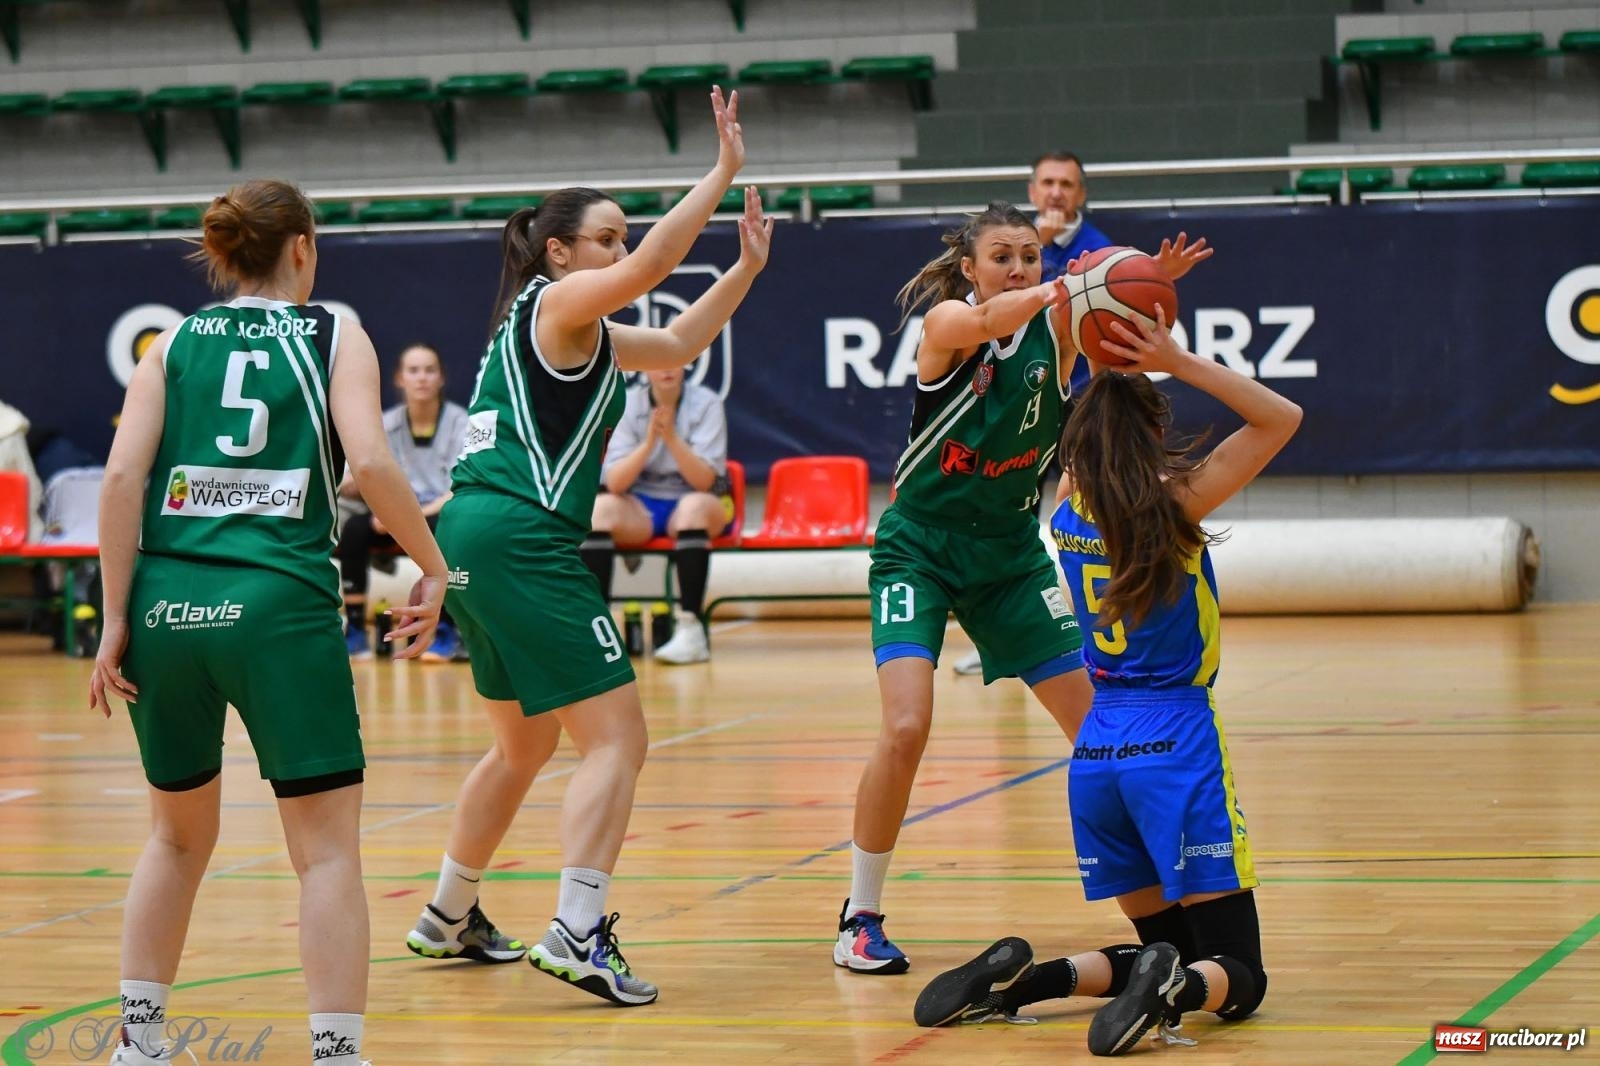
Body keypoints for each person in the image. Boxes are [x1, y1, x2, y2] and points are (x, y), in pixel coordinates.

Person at [404, 87, 772, 1007]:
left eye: (622, 236)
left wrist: (745, 271)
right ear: (561, 252)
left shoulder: (579, 331)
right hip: (521, 539)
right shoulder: (562, 302)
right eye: (605, 237)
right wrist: (722, 174)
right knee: (619, 739)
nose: (620, 248)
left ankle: (449, 913)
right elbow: (653, 267)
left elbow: (682, 334)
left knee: (521, 750)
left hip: (477, 538)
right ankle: (576, 929)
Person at [89, 179, 448, 1066]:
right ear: (300, 248)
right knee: (325, 852)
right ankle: (335, 1054)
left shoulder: (169, 343)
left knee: (174, 838)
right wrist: (435, 566)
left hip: (169, 604)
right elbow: (369, 455)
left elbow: (121, 482)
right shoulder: (334, 330)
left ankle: (139, 1047)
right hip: (279, 604)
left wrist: (115, 619)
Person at [911, 303, 1302, 1057]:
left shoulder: (1065, 507)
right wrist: (1176, 358)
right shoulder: (1176, 504)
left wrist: (1098, 334)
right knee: (1238, 975)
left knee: (1167, 941)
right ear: (1155, 431)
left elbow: (1098, 415)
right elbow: (1280, 418)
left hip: (1096, 751)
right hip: (1175, 739)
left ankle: (1020, 981)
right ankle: (1174, 992)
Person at [951, 152, 1209, 676]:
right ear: (1032, 187)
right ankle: (1002, 634)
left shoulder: (1099, 251)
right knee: (1008, 511)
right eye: (1047, 182)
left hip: (1086, 406)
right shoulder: (1010, 255)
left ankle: (1113, 625)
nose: (1055, 193)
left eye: (1066, 184)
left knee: (1098, 516)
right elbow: (984, 316)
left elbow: (1122, 300)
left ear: (1081, 194)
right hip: (1013, 400)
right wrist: (1037, 248)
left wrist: (1154, 276)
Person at [584, 365, 730, 664]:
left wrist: (672, 438)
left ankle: (691, 629)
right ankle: (598, 633)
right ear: (645, 370)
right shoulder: (626, 404)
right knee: (599, 511)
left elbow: (704, 482)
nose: (667, 369)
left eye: (674, 360)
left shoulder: (707, 403)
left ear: (686, 364)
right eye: (658, 362)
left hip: (692, 501)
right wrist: (650, 441)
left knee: (694, 510)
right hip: (641, 505)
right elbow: (615, 483)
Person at [336, 342, 470, 661]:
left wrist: (413, 515)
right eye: (413, 370)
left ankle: (445, 628)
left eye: (429, 370)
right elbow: (363, 477)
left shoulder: (461, 422)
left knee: (449, 528)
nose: (422, 378)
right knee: (354, 528)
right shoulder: (384, 423)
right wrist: (377, 504)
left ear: (441, 379)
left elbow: (461, 486)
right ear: (399, 379)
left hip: (435, 513)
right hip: (392, 514)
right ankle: (355, 629)